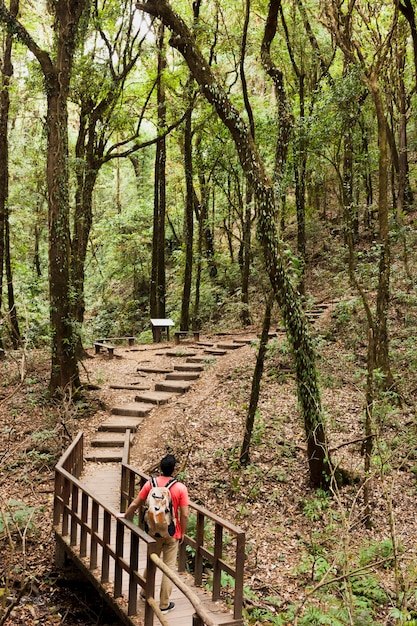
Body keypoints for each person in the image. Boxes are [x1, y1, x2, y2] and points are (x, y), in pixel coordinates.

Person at [120, 454, 189, 614]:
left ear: (160, 468)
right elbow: (184, 514)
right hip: (172, 533)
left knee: (152, 562)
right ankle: (164, 604)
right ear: (174, 469)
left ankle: (145, 592)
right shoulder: (180, 488)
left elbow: (137, 502)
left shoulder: (151, 483)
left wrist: (126, 514)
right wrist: (182, 532)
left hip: (153, 532)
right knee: (168, 568)